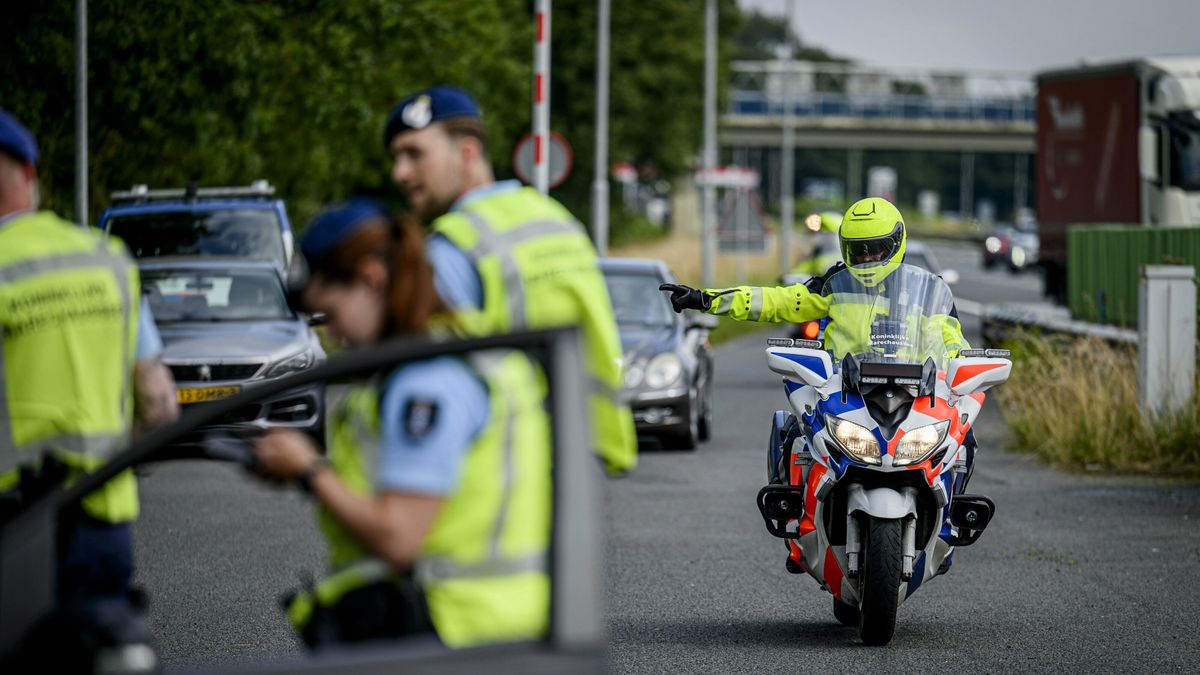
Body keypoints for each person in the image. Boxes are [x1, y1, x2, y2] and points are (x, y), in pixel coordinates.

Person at [250, 201, 552, 649]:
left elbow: (399, 536)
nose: (332, 336)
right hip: (495, 628)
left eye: (329, 314)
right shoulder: (466, 351)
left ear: (372, 279)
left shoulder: (425, 383)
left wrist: (309, 470)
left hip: (446, 632)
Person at [0, 109, 179, 665]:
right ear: (31, 172)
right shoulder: (105, 258)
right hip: (103, 516)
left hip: (13, 524)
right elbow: (160, 403)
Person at [382, 85, 636, 475]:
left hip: (497, 471)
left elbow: (430, 383)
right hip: (579, 461)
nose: (400, 173)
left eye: (414, 154)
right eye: (396, 157)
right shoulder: (556, 220)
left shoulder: (452, 247)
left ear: (466, 153)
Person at [661, 197, 980, 488]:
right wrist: (707, 299)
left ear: (897, 242)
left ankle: (951, 513)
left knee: (961, 437)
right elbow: (777, 301)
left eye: (875, 249)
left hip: (913, 393)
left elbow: (951, 341)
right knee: (795, 431)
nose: (867, 258)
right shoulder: (833, 284)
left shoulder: (929, 294)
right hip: (844, 392)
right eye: (858, 250)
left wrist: (965, 372)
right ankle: (792, 512)